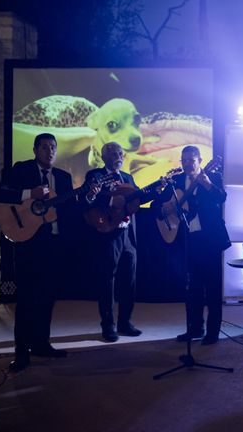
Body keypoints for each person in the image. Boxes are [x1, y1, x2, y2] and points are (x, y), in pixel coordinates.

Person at [0, 133, 72, 372]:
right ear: (34, 150)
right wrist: (31, 194)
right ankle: (21, 353)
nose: (49, 151)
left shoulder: (63, 177)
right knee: (27, 299)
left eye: (53, 147)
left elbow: (69, 209)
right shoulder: (22, 170)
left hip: (53, 245)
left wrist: (87, 197)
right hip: (28, 243)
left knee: (47, 298)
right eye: (44, 147)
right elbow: (0, 195)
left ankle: (41, 343)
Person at [154, 145, 231, 345]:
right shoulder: (177, 181)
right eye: (184, 160)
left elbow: (222, 198)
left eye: (191, 160)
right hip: (188, 240)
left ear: (200, 161)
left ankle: (212, 332)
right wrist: (166, 207)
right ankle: (195, 328)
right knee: (192, 287)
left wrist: (207, 184)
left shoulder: (212, 177)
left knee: (212, 288)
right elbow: (158, 206)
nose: (187, 163)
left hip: (210, 239)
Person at [84, 142, 152, 342]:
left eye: (120, 153)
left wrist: (156, 189)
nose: (118, 156)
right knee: (107, 281)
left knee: (129, 281)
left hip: (128, 236)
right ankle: (108, 326)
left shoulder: (128, 178)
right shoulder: (95, 176)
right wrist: (101, 197)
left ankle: (125, 322)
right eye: (113, 153)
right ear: (104, 157)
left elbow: (138, 200)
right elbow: (88, 202)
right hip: (108, 234)